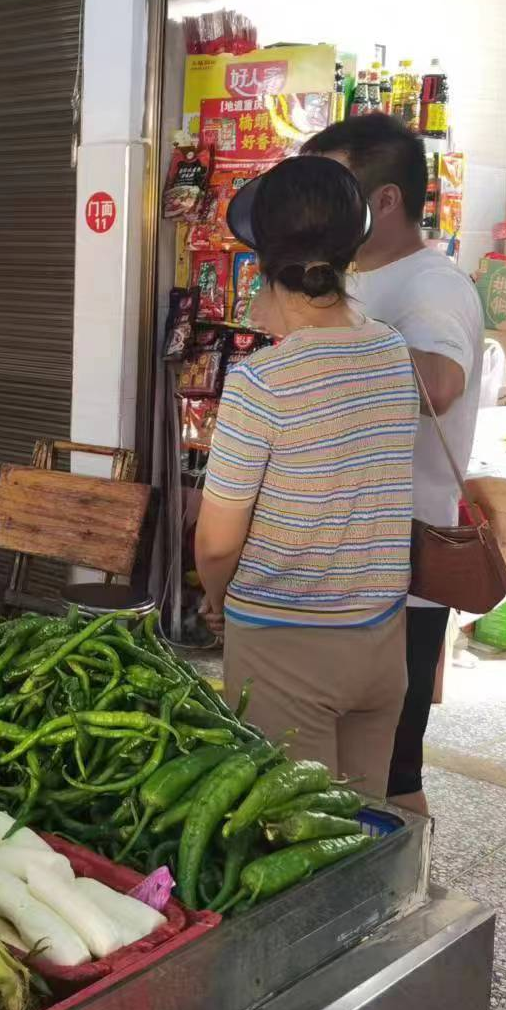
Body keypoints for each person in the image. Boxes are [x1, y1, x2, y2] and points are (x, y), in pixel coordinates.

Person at [195, 156, 419, 797]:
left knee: (292, 844)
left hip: (286, 645)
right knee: (360, 827)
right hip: (380, 638)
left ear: (262, 259)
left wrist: (215, 600)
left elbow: (215, 543)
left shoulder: (261, 383)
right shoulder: (391, 350)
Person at [303, 114, 485, 817]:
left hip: (399, 571)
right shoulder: (352, 279)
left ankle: (412, 902)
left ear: (383, 200)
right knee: (336, 763)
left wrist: (336, 338)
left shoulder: (431, 285)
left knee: (392, 770)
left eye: (334, 186)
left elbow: (439, 382)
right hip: (341, 562)